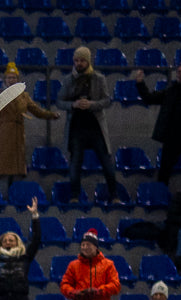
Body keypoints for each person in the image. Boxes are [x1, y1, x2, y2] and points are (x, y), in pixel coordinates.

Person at [57, 47, 120, 204]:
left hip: (95, 127)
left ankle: (114, 195)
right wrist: (74, 104)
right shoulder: (68, 80)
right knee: (75, 163)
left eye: (82, 61)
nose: (79, 63)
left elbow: (106, 100)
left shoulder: (99, 78)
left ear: (88, 61)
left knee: (106, 162)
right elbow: (59, 102)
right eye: (76, 61)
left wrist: (91, 104)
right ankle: (74, 196)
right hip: (77, 128)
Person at [0, 64, 60, 184]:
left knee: (16, 169)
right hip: (3, 135)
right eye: (9, 78)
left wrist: (51, 115)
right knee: (2, 168)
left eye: (14, 78)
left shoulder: (24, 96)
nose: (11, 80)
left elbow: (37, 110)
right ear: (5, 80)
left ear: (18, 80)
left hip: (17, 135)